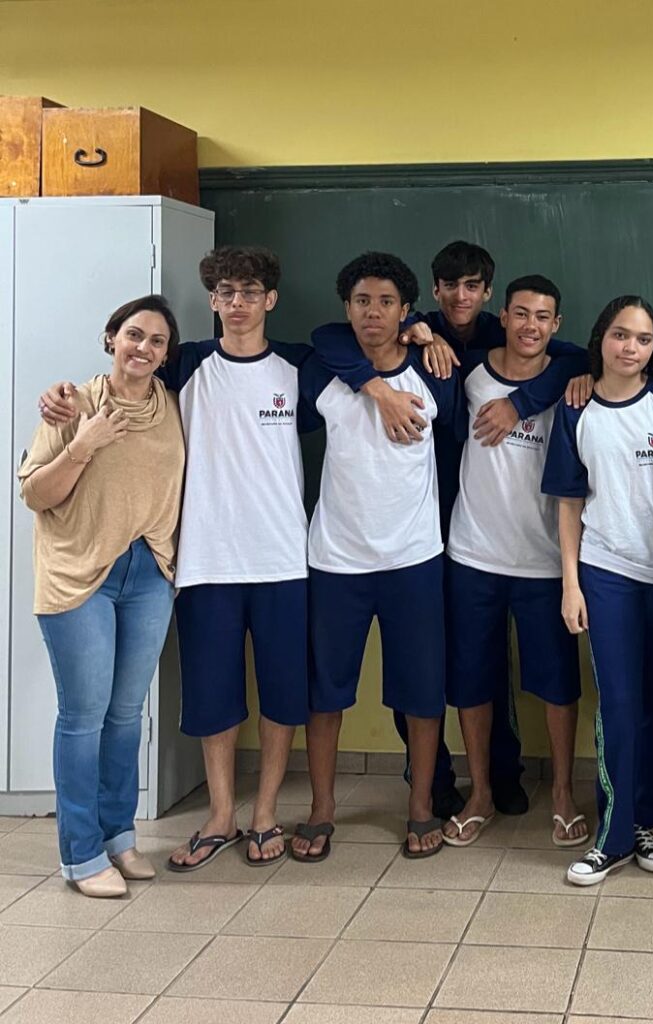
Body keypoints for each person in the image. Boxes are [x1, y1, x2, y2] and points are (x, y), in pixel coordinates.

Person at [39, 247, 316, 871]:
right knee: (213, 696)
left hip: (283, 561)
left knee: (281, 695)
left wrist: (419, 331)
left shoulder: (303, 366)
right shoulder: (184, 365)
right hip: (201, 563)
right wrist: (61, 396)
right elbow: (123, 376)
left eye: (249, 291)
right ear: (212, 301)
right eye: (225, 292)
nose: (237, 302)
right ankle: (221, 816)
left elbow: (360, 355)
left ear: (270, 300)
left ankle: (265, 813)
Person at [313, 241, 584, 820]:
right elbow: (329, 338)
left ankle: (501, 776)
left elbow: (572, 357)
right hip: (438, 525)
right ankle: (432, 784)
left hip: (467, 523)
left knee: (477, 669)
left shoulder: (501, 331)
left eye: (473, 286)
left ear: (489, 293)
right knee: (447, 667)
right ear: (433, 293)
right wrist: (388, 374)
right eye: (450, 285)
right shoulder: (413, 326)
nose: (462, 297)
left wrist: (522, 403)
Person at [291, 252, 457, 862]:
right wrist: (375, 388)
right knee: (326, 690)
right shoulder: (323, 370)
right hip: (336, 559)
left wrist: (428, 338)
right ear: (347, 307)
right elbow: (322, 337)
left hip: (415, 557)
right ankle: (321, 808)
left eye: (387, 302)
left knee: (420, 689)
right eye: (362, 300)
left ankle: (419, 807)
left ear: (407, 310)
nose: (373, 313)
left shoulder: (435, 370)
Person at [18, 295, 185, 897]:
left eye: (157, 341)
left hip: (148, 573)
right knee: (83, 716)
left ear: (168, 354)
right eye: (134, 335)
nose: (144, 348)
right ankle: (81, 854)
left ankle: (119, 836)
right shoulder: (73, 403)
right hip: (80, 574)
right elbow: (36, 494)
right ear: (110, 338)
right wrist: (83, 442)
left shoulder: (172, 406)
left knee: (123, 715)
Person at [542, 296, 653, 885]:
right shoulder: (577, 408)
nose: (631, 348)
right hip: (606, 574)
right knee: (620, 705)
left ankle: (643, 822)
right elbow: (570, 504)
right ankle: (613, 832)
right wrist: (571, 583)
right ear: (600, 337)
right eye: (621, 335)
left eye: (644, 339)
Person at [442, 274, 589, 847]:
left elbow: (584, 356)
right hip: (472, 554)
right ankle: (480, 792)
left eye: (544, 317)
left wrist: (524, 402)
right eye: (521, 313)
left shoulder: (572, 380)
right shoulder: (468, 372)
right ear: (502, 315)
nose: (531, 326)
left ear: (557, 325)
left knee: (555, 686)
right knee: (472, 679)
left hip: (546, 560)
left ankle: (561, 793)